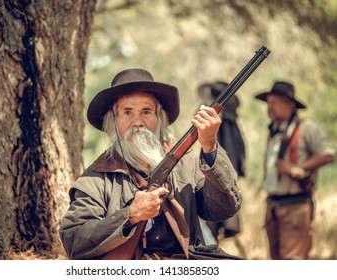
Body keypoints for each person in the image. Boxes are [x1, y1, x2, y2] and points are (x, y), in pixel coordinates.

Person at [59, 68, 242, 260]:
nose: (138, 122)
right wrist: (129, 216)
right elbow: (74, 240)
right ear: (113, 121)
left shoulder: (186, 163)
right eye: (127, 112)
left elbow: (224, 208)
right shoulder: (96, 177)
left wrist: (210, 148)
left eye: (146, 112)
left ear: (159, 118)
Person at [255, 81, 335, 260]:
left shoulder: (306, 127)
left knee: (293, 263)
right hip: (273, 206)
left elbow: (328, 155)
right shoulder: (273, 131)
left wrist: (298, 168)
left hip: (295, 206)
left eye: (275, 102)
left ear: (290, 105)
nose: (270, 107)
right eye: (269, 102)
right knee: (276, 261)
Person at [197, 81, 245, 244]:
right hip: (208, 179)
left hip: (221, 177)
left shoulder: (229, 122)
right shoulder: (217, 119)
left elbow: (234, 151)